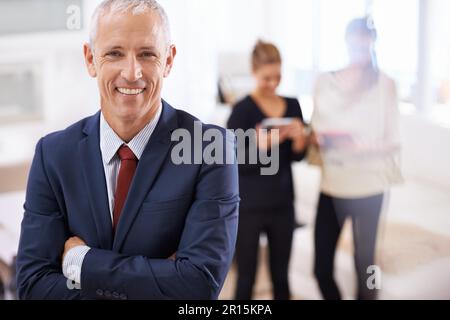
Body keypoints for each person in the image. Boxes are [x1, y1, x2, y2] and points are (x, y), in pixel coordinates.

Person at [16, 0, 239, 300]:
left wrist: (80, 262)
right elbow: (33, 287)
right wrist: (160, 278)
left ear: (169, 60)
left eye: (147, 54)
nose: (132, 72)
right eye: (114, 53)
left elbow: (197, 286)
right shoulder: (53, 155)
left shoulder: (211, 150)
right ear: (90, 59)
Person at [310, 17, 403, 300]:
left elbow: (393, 140)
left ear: (373, 41)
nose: (360, 44)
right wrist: (319, 138)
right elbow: (315, 129)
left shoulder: (385, 84)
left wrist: (363, 147)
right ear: (347, 40)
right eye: (356, 38)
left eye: (366, 38)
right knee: (321, 268)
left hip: (370, 187)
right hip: (333, 186)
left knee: (367, 266)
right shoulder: (325, 82)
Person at [227, 40, 307, 300]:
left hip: (283, 205)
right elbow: (231, 162)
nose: (273, 83)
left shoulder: (293, 105)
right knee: (246, 279)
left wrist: (299, 140)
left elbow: (297, 156)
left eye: (278, 77)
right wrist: (259, 146)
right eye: (266, 78)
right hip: (248, 207)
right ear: (254, 72)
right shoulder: (241, 111)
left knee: (281, 279)